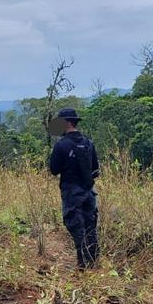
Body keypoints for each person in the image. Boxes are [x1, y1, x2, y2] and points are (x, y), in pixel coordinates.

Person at [49, 108, 100, 269]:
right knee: (90, 224)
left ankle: (82, 261)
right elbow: (96, 170)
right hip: (89, 192)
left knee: (75, 225)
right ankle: (92, 260)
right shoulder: (88, 143)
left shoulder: (61, 145)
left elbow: (54, 169)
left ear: (67, 123)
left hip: (71, 192)